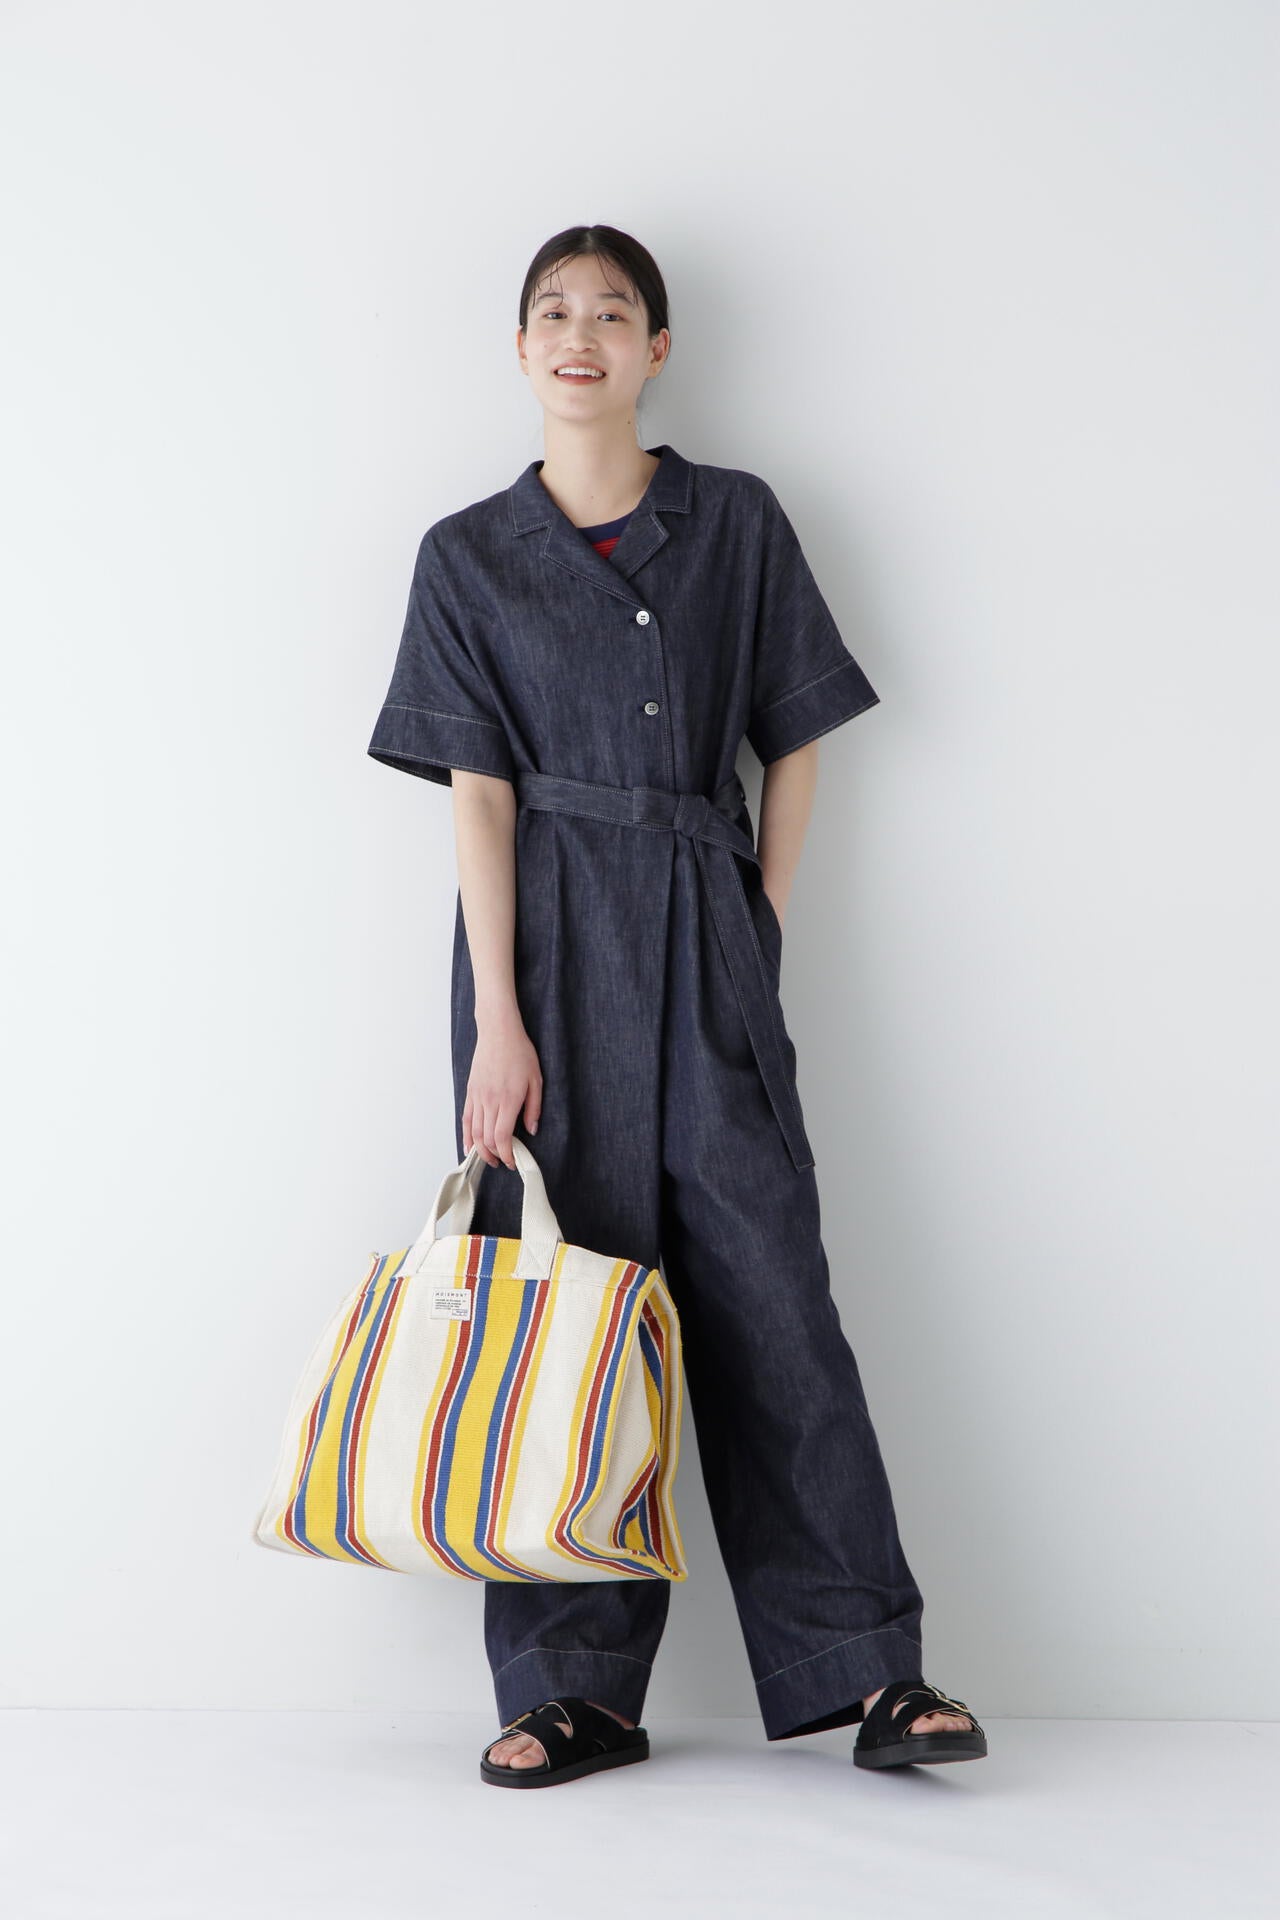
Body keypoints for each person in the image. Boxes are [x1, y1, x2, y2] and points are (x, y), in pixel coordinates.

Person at [367, 224, 987, 1787]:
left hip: (707, 932)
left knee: (775, 1303)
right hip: (543, 960)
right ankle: (571, 1692)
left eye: (613, 311)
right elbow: (479, 801)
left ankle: (870, 1672)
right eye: (553, 311)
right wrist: (500, 1022)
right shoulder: (465, 555)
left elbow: (796, 735)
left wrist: (757, 921)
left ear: (657, 348)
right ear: (521, 349)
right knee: (559, 1310)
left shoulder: (738, 523)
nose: (581, 334)